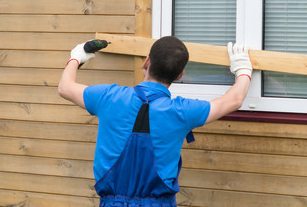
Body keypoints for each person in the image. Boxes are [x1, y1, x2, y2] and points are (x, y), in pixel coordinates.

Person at [58, 36, 252, 207]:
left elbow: (65, 87)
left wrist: (77, 56)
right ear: (179, 75)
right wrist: (243, 70)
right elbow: (233, 100)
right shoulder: (183, 111)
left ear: (147, 61)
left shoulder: (108, 97)